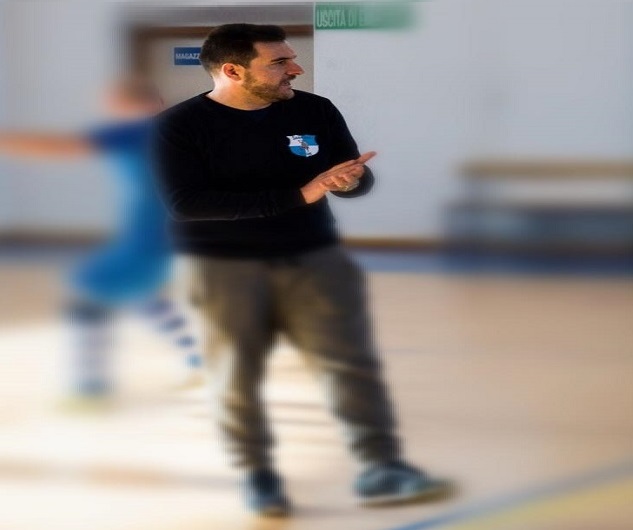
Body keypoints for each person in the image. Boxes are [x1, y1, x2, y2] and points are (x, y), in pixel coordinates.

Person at [153, 24, 451, 516]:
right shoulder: (177, 126)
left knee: (348, 364)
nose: (295, 68)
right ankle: (258, 476)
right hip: (223, 268)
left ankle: (381, 467)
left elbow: (348, 175)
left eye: (291, 58)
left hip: (315, 258)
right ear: (233, 71)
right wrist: (299, 194)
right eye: (279, 62)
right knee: (236, 375)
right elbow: (186, 204)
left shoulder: (315, 110)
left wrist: (350, 181)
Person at [0, 76, 204, 408]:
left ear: (121, 105)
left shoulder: (135, 129)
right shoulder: (180, 131)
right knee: (140, 294)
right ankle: (199, 360)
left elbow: (57, 147)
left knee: (90, 291)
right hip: (181, 234)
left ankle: (90, 390)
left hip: (150, 237)